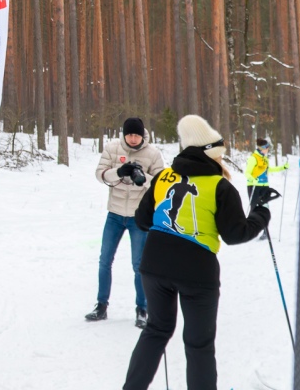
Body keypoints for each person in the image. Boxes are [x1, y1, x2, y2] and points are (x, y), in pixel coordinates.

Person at [122, 115, 273, 390]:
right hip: (197, 273)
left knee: (156, 331)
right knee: (198, 344)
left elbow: (142, 220)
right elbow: (235, 234)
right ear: (213, 155)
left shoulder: (164, 176)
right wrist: (261, 214)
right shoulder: (220, 186)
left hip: (154, 266)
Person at [87, 117, 165, 329]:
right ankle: (101, 305)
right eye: (129, 134)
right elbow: (100, 174)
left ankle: (142, 308)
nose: (132, 138)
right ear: (123, 134)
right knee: (105, 260)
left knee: (139, 265)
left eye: (136, 134)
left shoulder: (153, 154)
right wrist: (119, 172)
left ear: (142, 135)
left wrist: (143, 178)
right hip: (114, 215)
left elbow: (162, 183)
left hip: (139, 217)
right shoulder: (112, 148)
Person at [246, 137, 288, 210]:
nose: (268, 149)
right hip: (254, 186)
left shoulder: (265, 159)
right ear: (262, 148)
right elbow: (247, 173)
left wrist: (283, 167)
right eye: (267, 148)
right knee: (255, 209)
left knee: (264, 209)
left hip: (265, 185)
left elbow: (269, 170)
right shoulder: (253, 158)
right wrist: (253, 180)